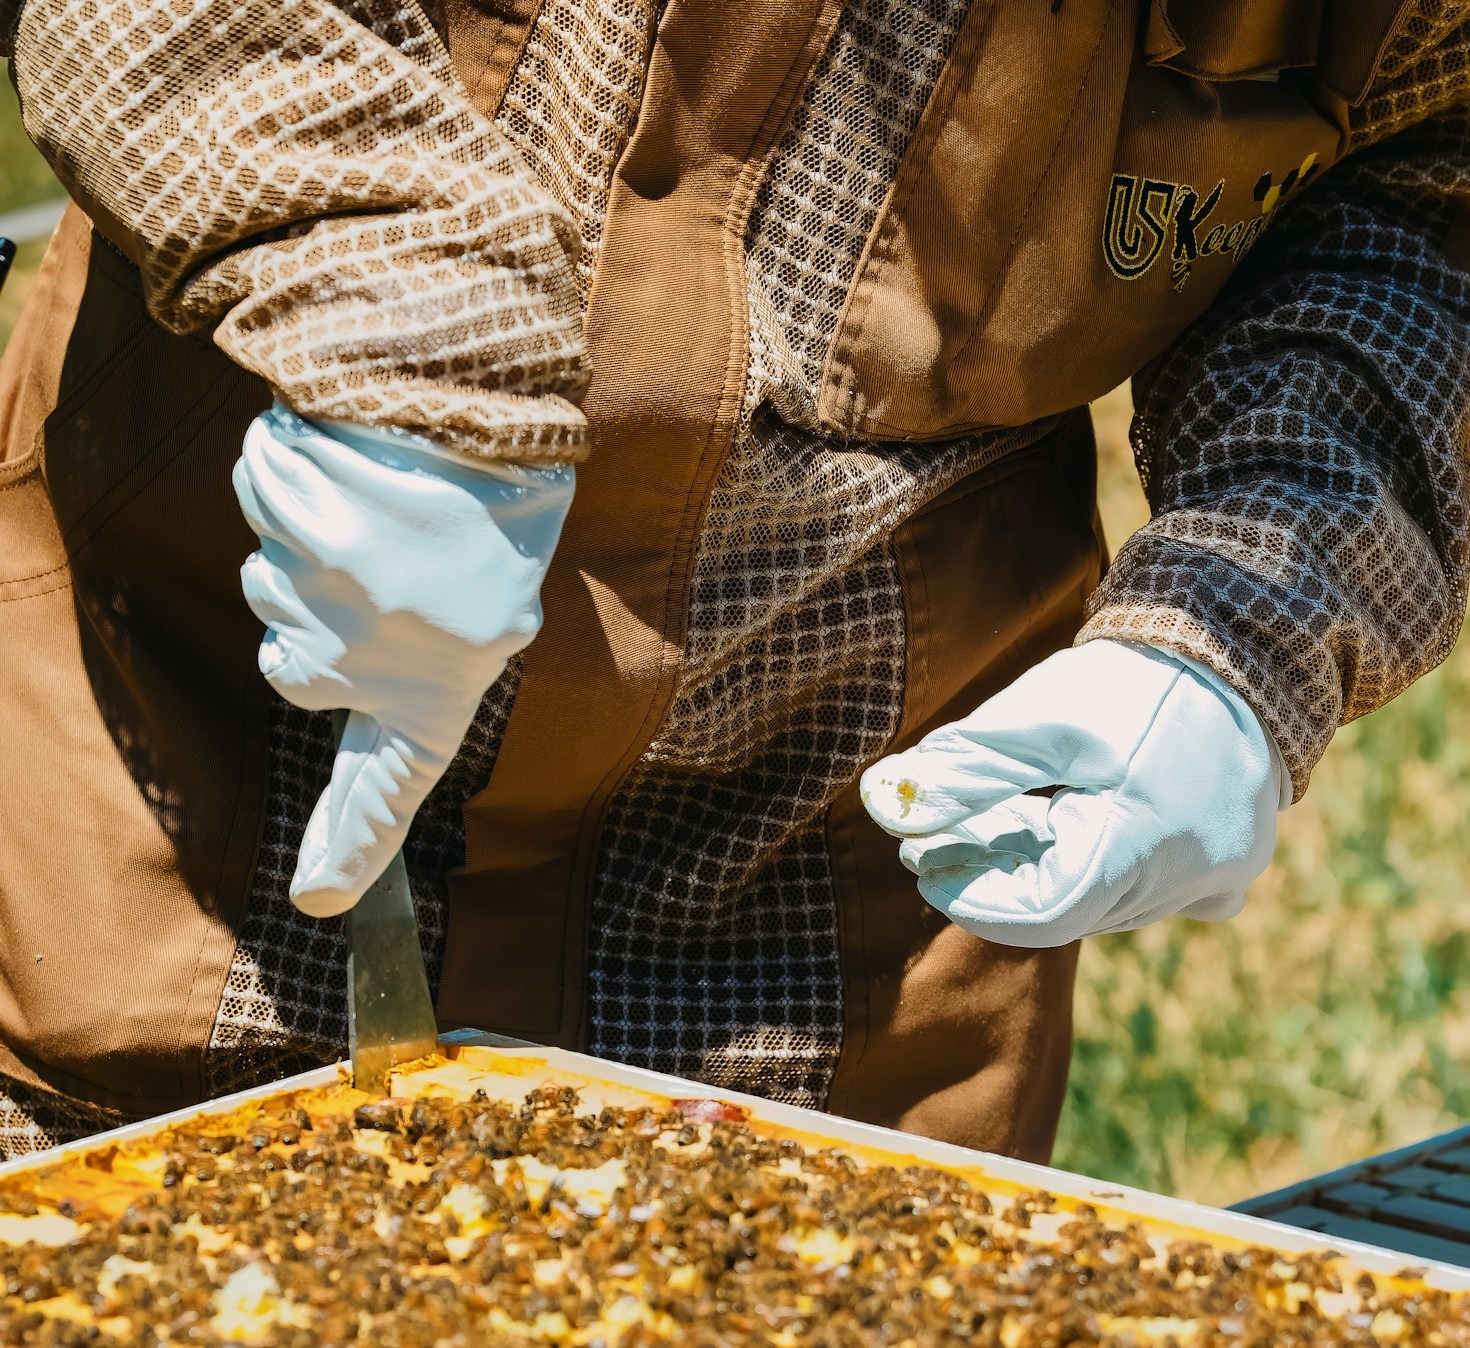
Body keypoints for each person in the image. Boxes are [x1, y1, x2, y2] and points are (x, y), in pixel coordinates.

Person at [0, 0, 1465, 1167]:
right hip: (171, 833)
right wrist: (384, 320)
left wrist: (1248, 612)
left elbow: (1427, 182)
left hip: (827, 962)